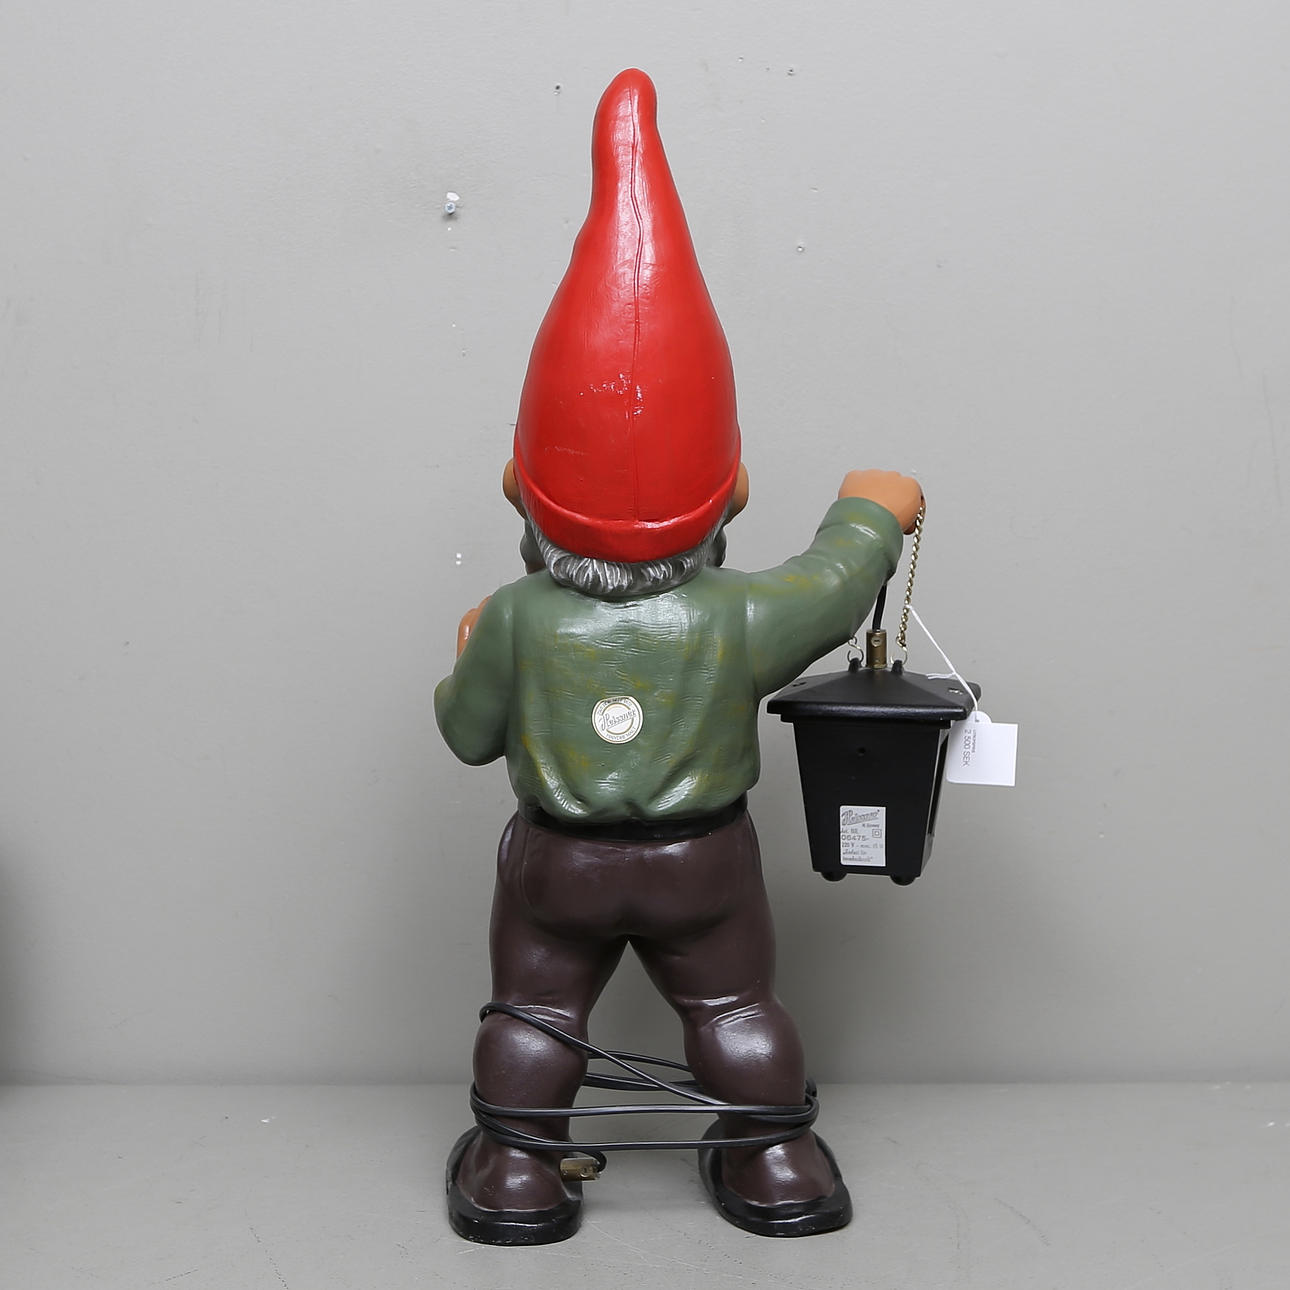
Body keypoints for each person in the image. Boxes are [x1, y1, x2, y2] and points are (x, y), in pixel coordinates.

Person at [435, 68, 922, 1245]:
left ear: (518, 490)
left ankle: (516, 1173)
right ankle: (776, 1164)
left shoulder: (516, 616)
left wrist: (467, 658)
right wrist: (872, 509)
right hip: (701, 860)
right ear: (732, 492)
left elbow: (467, 736)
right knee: (735, 1002)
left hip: (559, 861)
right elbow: (835, 582)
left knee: (537, 1010)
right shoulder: (739, 614)